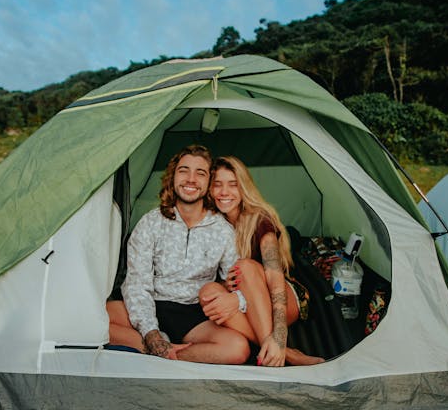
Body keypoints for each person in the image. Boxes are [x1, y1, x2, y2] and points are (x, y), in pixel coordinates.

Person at [107, 145, 250, 364]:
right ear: (173, 177)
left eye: (200, 173)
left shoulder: (222, 230)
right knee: (91, 316)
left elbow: (240, 283)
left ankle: (168, 354)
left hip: (194, 315)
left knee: (238, 348)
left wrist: (236, 299)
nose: (191, 179)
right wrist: (151, 332)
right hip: (152, 303)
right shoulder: (150, 223)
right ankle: (155, 345)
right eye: (184, 170)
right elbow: (136, 284)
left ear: (209, 182)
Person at [199, 156, 325, 367]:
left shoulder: (259, 219)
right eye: (217, 185)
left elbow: (274, 278)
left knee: (245, 267)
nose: (224, 192)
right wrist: (229, 291)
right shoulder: (212, 223)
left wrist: (280, 335)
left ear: (244, 187)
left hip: (282, 297)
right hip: (243, 301)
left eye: (233, 185)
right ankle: (287, 354)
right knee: (209, 292)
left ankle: (277, 346)